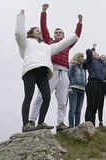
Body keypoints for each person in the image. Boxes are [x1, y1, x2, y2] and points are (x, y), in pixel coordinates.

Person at [14, 9, 78, 132]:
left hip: (43, 72)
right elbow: (18, 34)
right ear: (32, 34)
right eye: (37, 30)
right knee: (29, 96)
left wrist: (75, 35)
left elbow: (62, 44)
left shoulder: (47, 47)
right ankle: (26, 124)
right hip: (30, 70)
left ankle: (41, 122)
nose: (40, 32)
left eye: (40, 31)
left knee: (47, 97)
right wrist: (21, 17)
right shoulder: (26, 42)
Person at [29, 4, 83, 133]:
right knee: (41, 96)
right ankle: (32, 120)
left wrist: (80, 23)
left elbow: (76, 36)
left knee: (63, 99)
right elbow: (44, 28)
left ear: (64, 36)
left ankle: (60, 123)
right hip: (52, 71)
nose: (58, 34)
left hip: (64, 72)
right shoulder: (50, 42)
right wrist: (43, 12)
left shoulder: (67, 45)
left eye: (60, 33)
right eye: (56, 32)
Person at [82, 44, 104, 126]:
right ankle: (87, 124)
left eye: (97, 54)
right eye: (95, 53)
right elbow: (88, 51)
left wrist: (99, 58)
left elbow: (103, 62)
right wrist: (92, 49)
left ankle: (93, 126)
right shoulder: (90, 61)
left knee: (95, 107)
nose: (97, 54)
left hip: (100, 84)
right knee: (90, 105)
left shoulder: (100, 63)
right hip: (92, 82)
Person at [67, 53, 87, 127]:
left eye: (83, 56)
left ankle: (77, 127)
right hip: (74, 88)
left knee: (79, 110)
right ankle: (71, 126)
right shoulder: (72, 65)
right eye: (81, 56)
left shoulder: (84, 68)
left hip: (82, 89)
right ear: (77, 57)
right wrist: (69, 88)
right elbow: (68, 77)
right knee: (73, 109)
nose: (83, 58)